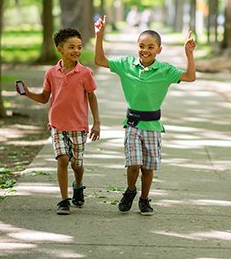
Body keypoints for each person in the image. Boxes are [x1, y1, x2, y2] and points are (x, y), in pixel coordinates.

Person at [94, 15, 195, 216]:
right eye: (141, 46)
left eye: (150, 47)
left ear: (159, 50)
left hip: (153, 126)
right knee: (133, 164)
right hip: (132, 124)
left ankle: (144, 199)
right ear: (136, 47)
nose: (145, 50)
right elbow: (99, 60)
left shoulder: (165, 70)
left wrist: (189, 54)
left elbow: (190, 77)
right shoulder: (126, 64)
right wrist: (99, 36)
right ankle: (130, 190)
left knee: (148, 169)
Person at [16, 28, 100, 215]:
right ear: (60, 49)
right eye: (72, 47)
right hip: (57, 125)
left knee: (76, 164)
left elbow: (92, 97)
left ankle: (78, 186)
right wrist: (28, 93)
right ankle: (64, 200)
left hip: (78, 126)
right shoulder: (51, 73)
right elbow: (45, 98)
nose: (76, 51)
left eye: (79, 47)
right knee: (62, 159)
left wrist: (97, 122)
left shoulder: (85, 73)